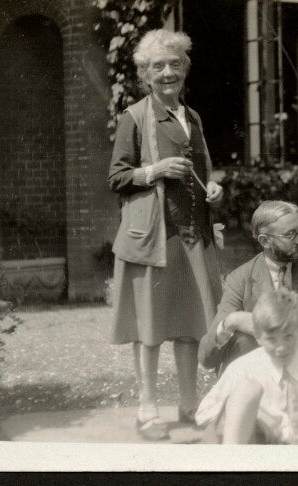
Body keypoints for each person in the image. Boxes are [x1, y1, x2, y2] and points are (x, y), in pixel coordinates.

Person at [108, 29, 224, 441]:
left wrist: (214, 189)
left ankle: (190, 405)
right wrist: (154, 171)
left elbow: (202, 171)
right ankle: (146, 408)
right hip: (153, 238)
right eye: (158, 66)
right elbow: (117, 177)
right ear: (145, 74)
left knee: (191, 324)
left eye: (175, 64)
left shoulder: (191, 117)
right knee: (150, 327)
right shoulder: (134, 117)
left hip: (192, 236)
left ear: (184, 70)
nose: (168, 72)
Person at [198, 200, 298, 372]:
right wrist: (230, 323)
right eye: (290, 234)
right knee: (243, 341)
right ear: (265, 241)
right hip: (256, 377)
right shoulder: (239, 279)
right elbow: (206, 358)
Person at [195, 287, 298, 444]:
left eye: (288, 337)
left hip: (294, 453)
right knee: (248, 390)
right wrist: (257, 419)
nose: (281, 347)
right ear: (258, 337)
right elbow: (204, 414)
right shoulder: (244, 368)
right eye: (272, 339)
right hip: (251, 448)